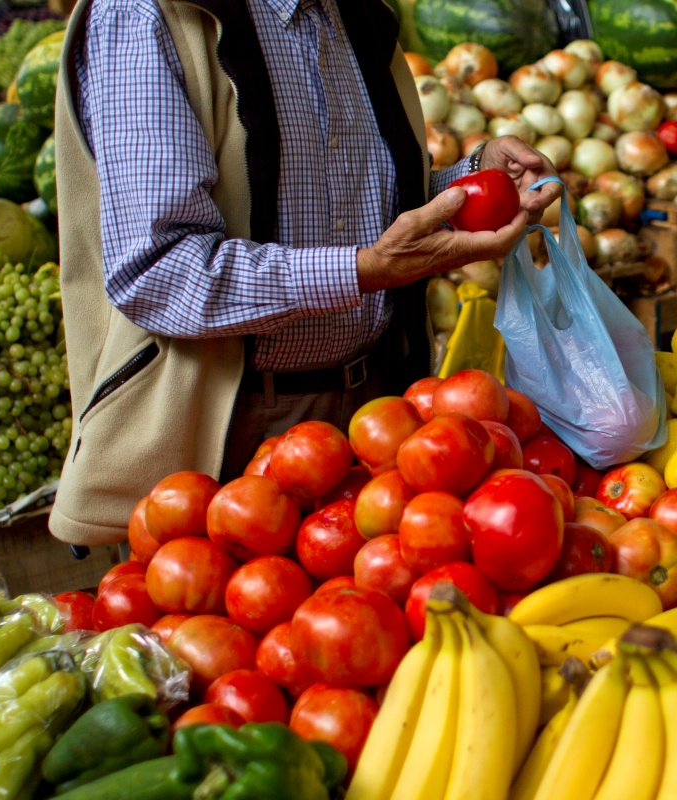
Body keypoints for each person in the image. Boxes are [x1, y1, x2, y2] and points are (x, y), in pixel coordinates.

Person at [49, 0, 560, 547]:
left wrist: (467, 186)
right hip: (221, 434)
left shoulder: (349, 12)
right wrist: (361, 271)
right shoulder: (145, 15)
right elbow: (158, 272)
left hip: (379, 418)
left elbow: (359, 207)